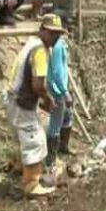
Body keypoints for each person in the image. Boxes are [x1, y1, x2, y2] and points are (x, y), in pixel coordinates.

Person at [4, 14, 67, 196]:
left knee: (23, 136)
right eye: (52, 33)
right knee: (35, 139)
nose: (55, 37)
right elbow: (38, 85)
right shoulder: (40, 50)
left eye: (58, 34)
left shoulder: (32, 43)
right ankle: (31, 184)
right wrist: (48, 99)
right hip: (21, 101)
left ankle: (19, 168)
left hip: (13, 97)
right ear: (42, 31)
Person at [44, 22, 74, 181]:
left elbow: (62, 70)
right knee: (56, 122)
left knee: (68, 118)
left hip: (63, 87)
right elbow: (56, 71)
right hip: (57, 90)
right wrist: (64, 91)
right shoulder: (57, 47)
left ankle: (64, 146)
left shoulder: (62, 45)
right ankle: (51, 159)